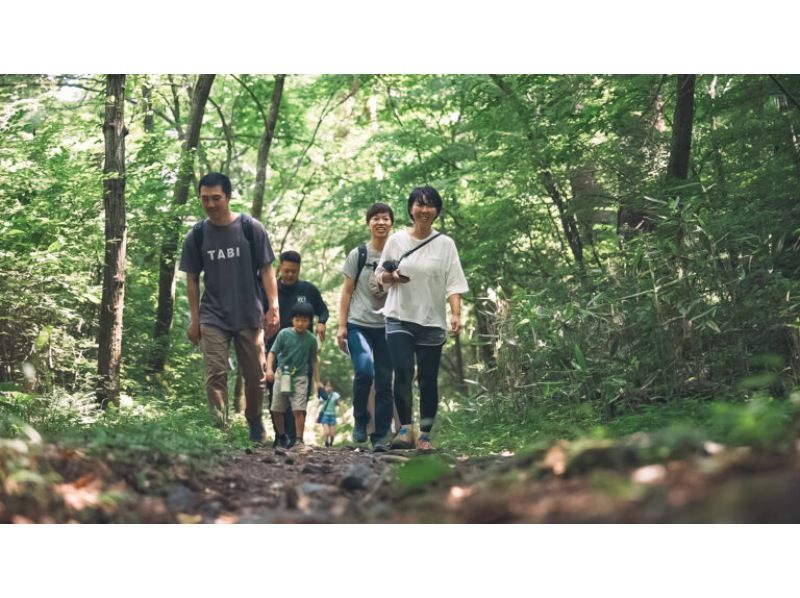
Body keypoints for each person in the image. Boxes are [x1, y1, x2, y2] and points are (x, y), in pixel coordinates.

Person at [179, 172, 280, 445]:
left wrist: (274, 306)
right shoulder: (197, 235)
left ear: (228, 197)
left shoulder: (250, 228)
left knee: (256, 376)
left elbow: (267, 269)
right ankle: (220, 428)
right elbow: (191, 278)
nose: (210, 204)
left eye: (216, 198)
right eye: (204, 199)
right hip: (213, 315)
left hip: (249, 313)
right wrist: (195, 319)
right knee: (215, 373)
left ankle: (254, 420)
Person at [377, 186, 468, 452]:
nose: (424, 210)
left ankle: (425, 434)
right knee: (403, 370)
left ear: (437, 210)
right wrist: (392, 277)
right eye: (419, 204)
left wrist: (456, 313)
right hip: (399, 316)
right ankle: (405, 429)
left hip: (431, 320)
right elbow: (379, 276)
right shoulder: (396, 241)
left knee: (427, 379)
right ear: (411, 208)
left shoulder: (446, 244)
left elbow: (454, 283)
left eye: (430, 205)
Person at [336, 203, 395, 451]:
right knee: (364, 371)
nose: (380, 222)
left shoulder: (399, 254)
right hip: (358, 324)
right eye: (375, 219)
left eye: (385, 218)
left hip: (389, 326)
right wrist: (341, 326)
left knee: (384, 381)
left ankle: (380, 435)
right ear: (368, 223)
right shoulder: (358, 254)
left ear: (392, 223)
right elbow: (346, 292)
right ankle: (360, 421)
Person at [266, 250, 329, 447]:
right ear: (280, 268)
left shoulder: (308, 290)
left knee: (297, 399)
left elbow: (323, 309)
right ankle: (280, 436)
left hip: (303, 354)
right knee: (278, 397)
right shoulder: (271, 288)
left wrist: (322, 322)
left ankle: (295, 439)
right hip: (278, 351)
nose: (290, 275)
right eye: (286, 271)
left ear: (299, 269)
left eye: (294, 271)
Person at [266, 302, 321, 451]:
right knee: (277, 409)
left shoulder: (311, 339)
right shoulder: (284, 334)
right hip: (282, 375)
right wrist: (269, 370)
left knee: (298, 409)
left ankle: (298, 440)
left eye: (304, 320)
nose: (300, 323)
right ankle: (282, 436)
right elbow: (272, 353)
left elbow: (314, 360)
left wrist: (317, 382)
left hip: (300, 377)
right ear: (292, 320)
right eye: (297, 320)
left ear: (309, 322)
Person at [317, 381, 340, 447]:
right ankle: (326, 444)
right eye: (327, 386)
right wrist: (315, 414)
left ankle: (331, 444)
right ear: (324, 387)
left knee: (332, 434)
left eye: (330, 386)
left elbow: (338, 404)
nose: (328, 388)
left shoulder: (335, 395)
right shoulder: (323, 395)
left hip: (333, 415)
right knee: (327, 432)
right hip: (325, 415)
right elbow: (318, 404)